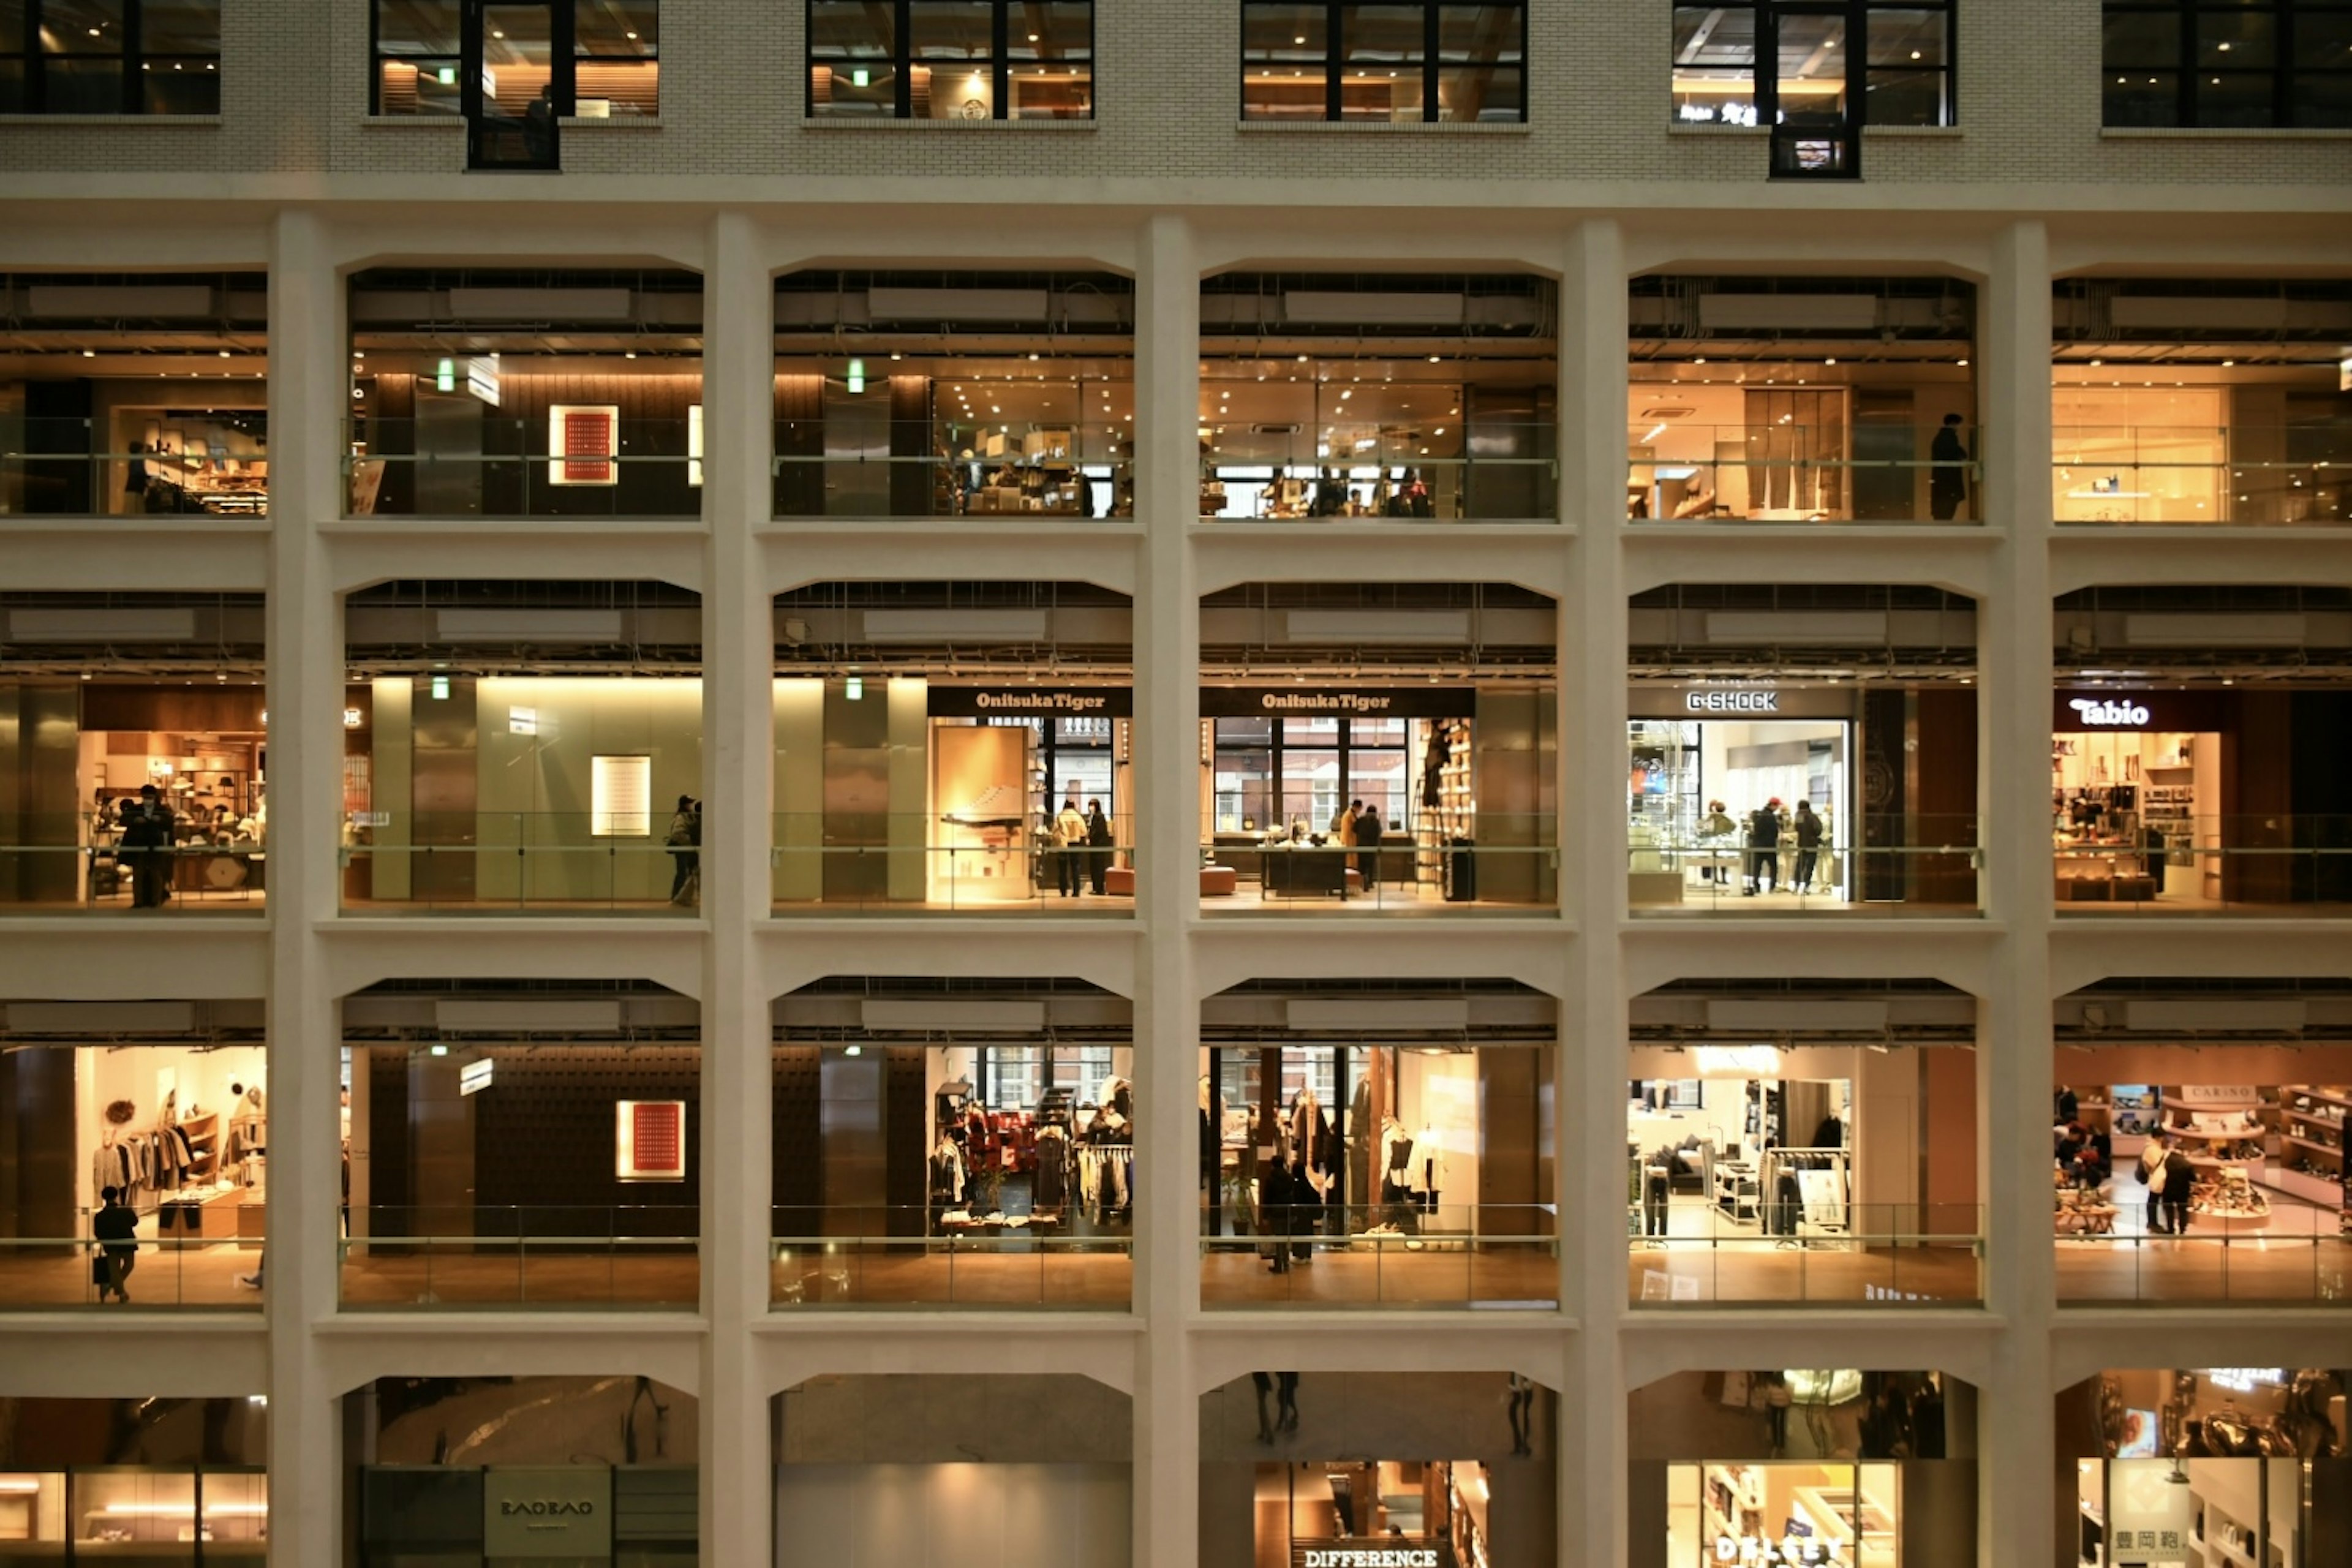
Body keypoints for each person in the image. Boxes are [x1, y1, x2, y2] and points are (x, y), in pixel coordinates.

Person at [118, 784, 176, 908]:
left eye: (149, 797)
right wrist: (135, 821)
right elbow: (123, 820)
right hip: (139, 846)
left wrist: (159, 820)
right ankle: (138, 901)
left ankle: (156, 900)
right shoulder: (136, 810)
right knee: (139, 874)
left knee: (156, 874)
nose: (147, 800)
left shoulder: (161, 811)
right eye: (145, 797)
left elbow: (169, 823)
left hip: (155, 846)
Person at [93, 1186, 138, 1303]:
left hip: (111, 1244)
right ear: (116, 1196)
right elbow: (135, 1222)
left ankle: (114, 1287)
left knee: (114, 1269)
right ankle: (119, 1291)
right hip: (127, 1242)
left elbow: (98, 1232)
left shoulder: (100, 1216)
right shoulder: (125, 1211)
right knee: (129, 1265)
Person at [1929, 413, 1971, 521]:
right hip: (1948, 481)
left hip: (1943, 480)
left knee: (1943, 510)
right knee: (1947, 509)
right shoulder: (1949, 437)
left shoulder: (1942, 437)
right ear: (1954, 424)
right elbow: (1957, 453)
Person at [664, 794, 699, 905]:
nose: (691, 805)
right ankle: (677, 897)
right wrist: (691, 841)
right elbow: (678, 834)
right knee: (682, 873)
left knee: (688, 873)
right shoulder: (681, 817)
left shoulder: (689, 816)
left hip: (688, 850)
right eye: (689, 803)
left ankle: (684, 897)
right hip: (683, 850)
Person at [1744, 799, 1782, 895]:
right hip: (1770, 846)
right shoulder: (1771, 817)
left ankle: (1756, 887)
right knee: (1773, 867)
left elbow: (1755, 830)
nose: (1777, 808)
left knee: (1757, 868)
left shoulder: (1758, 816)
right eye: (1777, 806)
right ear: (1773, 805)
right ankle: (1772, 887)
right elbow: (1775, 832)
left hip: (1758, 845)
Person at [2136, 1137, 2171, 1236]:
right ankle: (2153, 1223)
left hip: (2155, 1177)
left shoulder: (2151, 1148)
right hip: (2158, 1178)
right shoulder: (2153, 1149)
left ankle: (2152, 1222)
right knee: (2154, 1200)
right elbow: (2154, 1163)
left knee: (2153, 1200)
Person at [1698, 799, 1737, 884]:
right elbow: (1733, 826)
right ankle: (1723, 878)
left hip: (1712, 843)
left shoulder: (1711, 818)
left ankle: (1715, 878)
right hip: (1721, 843)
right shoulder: (1725, 819)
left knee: (1714, 860)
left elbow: (1705, 828)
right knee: (1722, 861)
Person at [1055, 798, 1088, 897]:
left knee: (1063, 869)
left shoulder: (1061, 816)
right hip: (1075, 842)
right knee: (1076, 868)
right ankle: (1076, 891)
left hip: (1063, 843)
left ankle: (1063, 891)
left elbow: (1055, 831)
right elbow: (1084, 831)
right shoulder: (1078, 817)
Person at [2162, 1142, 2196, 1237]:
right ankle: (2182, 1230)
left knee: (2169, 1210)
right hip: (2183, 1191)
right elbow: (2193, 1179)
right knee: (2182, 1211)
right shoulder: (2187, 1164)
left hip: (2167, 1189)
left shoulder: (2166, 1161)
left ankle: (2170, 1229)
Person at [1792, 801, 1824, 894]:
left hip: (1801, 844)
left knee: (1799, 866)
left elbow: (1797, 829)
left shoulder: (1798, 817)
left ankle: (1796, 885)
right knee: (1809, 866)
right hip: (1812, 844)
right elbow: (1818, 830)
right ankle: (1806, 886)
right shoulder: (1813, 817)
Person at [1084, 797, 1113, 895]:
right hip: (1095, 846)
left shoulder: (1099, 817)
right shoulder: (1093, 817)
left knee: (1099, 867)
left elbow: (1099, 832)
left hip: (1098, 846)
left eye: (1092, 805)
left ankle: (1099, 888)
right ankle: (1096, 887)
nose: (1090, 807)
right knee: (1094, 867)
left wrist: (1091, 837)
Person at [1354, 801, 1382, 894]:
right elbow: (1379, 833)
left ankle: (1362, 882)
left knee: (1362, 865)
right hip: (1372, 847)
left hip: (1361, 846)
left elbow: (1354, 829)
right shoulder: (1376, 822)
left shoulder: (1361, 820)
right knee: (1370, 865)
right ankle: (1370, 882)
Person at [1507, 1372, 1537, 1457]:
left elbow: (1527, 1383)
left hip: (1522, 1394)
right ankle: (1520, 1445)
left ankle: (1523, 1445)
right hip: (1519, 1393)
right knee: (1517, 1421)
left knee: (1522, 1421)